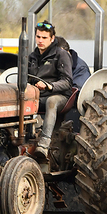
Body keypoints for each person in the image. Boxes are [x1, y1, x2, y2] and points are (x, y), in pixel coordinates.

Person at [28, 21, 72, 157]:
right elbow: (26, 79)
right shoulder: (32, 57)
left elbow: (67, 82)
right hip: (37, 95)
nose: (40, 41)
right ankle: (23, 139)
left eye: (44, 38)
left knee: (51, 102)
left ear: (52, 39)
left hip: (59, 96)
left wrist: (49, 86)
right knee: (21, 99)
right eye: (38, 37)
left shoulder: (61, 55)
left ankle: (44, 144)